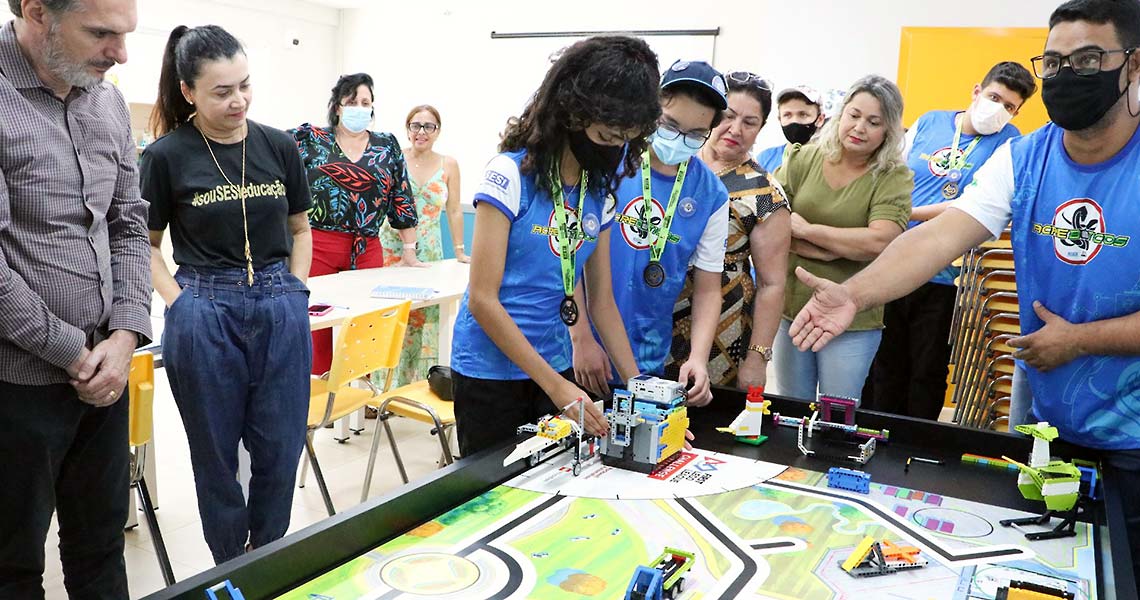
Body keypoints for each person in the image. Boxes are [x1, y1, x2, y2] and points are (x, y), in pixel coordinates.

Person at [788, 0, 1140, 581]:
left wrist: (1080, 340)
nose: (1065, 76)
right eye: (1052, 62)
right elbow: (938, 236)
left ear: (1131, 66)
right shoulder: (1024, 157)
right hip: (1054, 427)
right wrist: (856, 293)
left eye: (1087, 60)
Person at [143, 24, 313, 565]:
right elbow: (145, 244)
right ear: (188, 91)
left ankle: (267, 558)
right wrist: (179, 302)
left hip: (277, 303)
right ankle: (230, 567)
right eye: (221, 91)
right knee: (214, 457)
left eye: (244, 85)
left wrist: (295, 288)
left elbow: (301, 228)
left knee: (280, 449)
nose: (237, 100)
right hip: (202, 309)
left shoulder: (278, 145)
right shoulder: (167, 155)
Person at [450, 36, 661, 457]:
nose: (616, 149)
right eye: (606, 134)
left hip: (555, 367)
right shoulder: (509, 177)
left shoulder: (596, 190)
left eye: (626, 139)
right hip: (490, 376)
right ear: (571, 114)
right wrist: (557, 386)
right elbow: (483, 301)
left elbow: (601, 304)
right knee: (495, 499)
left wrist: (645, 394)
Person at [0, 0, 149, 596]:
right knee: (12, 563)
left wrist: (124, 335)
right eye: (101, 33)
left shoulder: (107, 100)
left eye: (125, 33)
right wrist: (70, 351)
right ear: (37, 11)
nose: (121, 53)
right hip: (18, 384)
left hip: (105, 372)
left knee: (100, 547)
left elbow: (129, 223)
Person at [864, 62, 1037, 419]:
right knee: (884, 361)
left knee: (927, 368)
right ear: (976, 91)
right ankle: (876, 436)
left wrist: (906, 213)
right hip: (892, 260)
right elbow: (890, 173)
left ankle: (918, 448)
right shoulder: (930, 122)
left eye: (1010, 107)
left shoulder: (1010, 143)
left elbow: (969, 207)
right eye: (994, 97)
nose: (1000, 110)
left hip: (946, 275)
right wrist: (893, 213)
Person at [571, 59, 730, 407]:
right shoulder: (608, 158)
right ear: (652, 109)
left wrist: (698, 357)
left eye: (694, 135)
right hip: (576, 350)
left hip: (645, 357)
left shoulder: (711, 194)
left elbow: (707, 289)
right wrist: (579, 335)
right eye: (669, 124)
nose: (678, 140)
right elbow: (567, 255)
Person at [771, 75, 913, 403]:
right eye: (854, 115)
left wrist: (807, 231)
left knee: (838, 412)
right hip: (791, 308)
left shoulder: (893, 177)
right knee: (791, 408)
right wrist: (835, 249)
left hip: (854, 318)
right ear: (840, 114)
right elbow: (770, 212)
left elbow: (880, 241)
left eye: (873, 122)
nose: (860, 127)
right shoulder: (803, 157)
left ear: (888, 130)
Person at [292, 73, 423, 376]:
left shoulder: (386, 145)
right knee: (318, 327)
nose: (359, 108)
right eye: (352, 102)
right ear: (337, 106)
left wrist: (409, 250)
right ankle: (319, 400)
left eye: (365, 102)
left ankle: (361, 402)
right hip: (318, 247)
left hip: (367, 250)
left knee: (367, 328)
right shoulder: (310, 139)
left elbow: (401, 196)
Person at [667, 71, 791, 389]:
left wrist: (757, 358)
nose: (735, 129)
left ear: (760, 129)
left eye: (749, 122)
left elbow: (772, 284)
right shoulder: (673, 163)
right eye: (728, 116)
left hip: (722, 328)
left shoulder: (766, 193)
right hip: (653, 316)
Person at [380, 105, 467, 387]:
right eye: (416, 125)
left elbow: (454, 210)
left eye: (428, 126)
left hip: (429, 249)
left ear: (437, 131)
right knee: (388, 318)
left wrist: (460, 250)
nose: (421, 132)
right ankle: (381, 388)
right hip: (392, 246)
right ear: (407, 129)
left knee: (422, 319)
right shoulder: (394, 159)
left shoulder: (449, 164)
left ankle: (415, 386)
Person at [756, 85, 826, 173]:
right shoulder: (765, 159)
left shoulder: (830, 161)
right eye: (787, 115)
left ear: (820, 119)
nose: (795, 121)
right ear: (779, 119)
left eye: (803, 114)